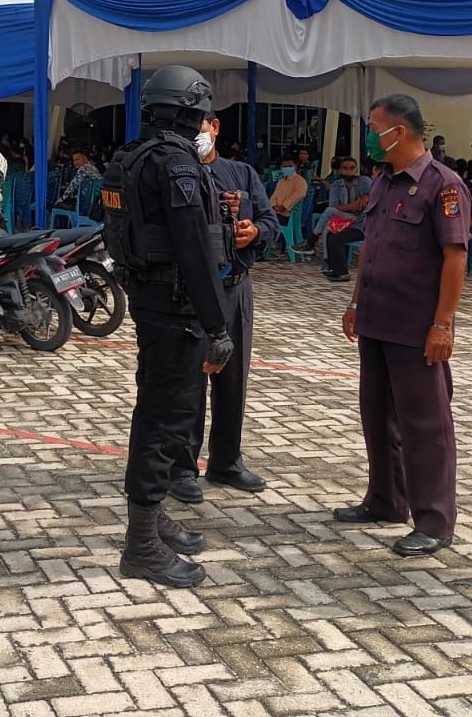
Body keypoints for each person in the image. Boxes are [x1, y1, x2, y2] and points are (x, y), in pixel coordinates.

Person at [101, 65, 234, 588]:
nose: (205, 123)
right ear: (188, 111)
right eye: (201, 114)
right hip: (177, 307)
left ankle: (152, 521)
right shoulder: (177, 166)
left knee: (156, 410)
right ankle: (140, 547)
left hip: (150, 299)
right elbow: (196, 251)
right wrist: (216, 325)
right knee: (167, 420)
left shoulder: (130, 158)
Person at [333, 94, 467, 558]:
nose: (370, 135)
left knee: (425, 425)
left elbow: (455, 257)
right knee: (377, 415)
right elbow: (370, 244)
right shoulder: (384, 182)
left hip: (416, 326)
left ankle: (434, 519)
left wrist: (443, 325)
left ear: (401, 132)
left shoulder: (442, 185)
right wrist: (354, 300)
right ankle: (386, 500)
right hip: (376, 318)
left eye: (375, 126)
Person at [168, 109, 282, 504]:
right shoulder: (176, 173)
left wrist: (255, 231)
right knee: (192, 378)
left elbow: (271, 222)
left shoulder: (243, 174)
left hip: (237, 286)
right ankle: (183, 467)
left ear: (214, 128)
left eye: (200, 127)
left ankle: (226, 461)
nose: (195, 136)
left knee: (233, 379)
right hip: (195, 291)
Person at [320, 157, 371, 281]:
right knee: (330, 233)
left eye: (352, 168)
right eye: (345, 168)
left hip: (362, 225)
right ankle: (334, 269)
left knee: (336, 238)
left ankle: (342, 272)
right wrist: (351, 206)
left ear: (356, 169)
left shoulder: (365, 181)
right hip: (343, 220)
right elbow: (334, 206)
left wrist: (367, 195)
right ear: (340, 171)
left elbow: (376, 195)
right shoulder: (336, 185)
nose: (349, 171)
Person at [269, 155, 308, 220]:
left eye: (290, 166)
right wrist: (274, 205)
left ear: (295, 166)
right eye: (284, 166)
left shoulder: (300, 181)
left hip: (289, 214)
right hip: (276, 212)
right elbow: (274, 196)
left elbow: (299, 195)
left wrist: (284, 206)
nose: (287, 168)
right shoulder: (281, 180)